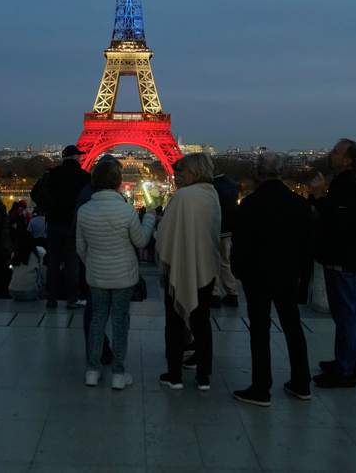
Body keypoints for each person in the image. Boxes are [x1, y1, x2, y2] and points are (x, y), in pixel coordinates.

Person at [231, 152, 314, 405]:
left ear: (257, 172)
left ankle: (261, 387)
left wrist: (240, 274)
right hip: (288, 275)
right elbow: (308, 246)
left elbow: (240, 246)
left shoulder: (250, 204)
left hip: (257, 277)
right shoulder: (299, 204)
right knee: (293, 328)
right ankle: (302, 383)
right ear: (281, 172)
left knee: (259, 331)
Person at [76, 159, 156, 390]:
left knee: (97, 320)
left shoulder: (84, 211)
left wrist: (92, 263)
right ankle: (118, 374)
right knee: (120, 323)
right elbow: (141, 240)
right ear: (118, 182)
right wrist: (149, 219)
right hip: (123, 277)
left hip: (96, 274)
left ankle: (92, 370)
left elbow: (80, 247)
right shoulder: (126, 210)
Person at [156, 152, 221, 391]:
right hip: (205, 266)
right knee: (202, 322)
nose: (177, 175)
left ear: (194, 171)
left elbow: (165, 233)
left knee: (174, 323)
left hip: (181, 266)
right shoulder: (211, 194)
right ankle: (203, 377)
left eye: (181, 171)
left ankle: (174, 375)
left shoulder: (183, 197)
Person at [310, 138, 356, 389]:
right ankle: (347, 362)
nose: (329, 154)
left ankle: (345, 370)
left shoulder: (345, 186)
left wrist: (320, 197)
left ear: (348, 160)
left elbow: (337, 222)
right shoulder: (347, 183)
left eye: (335, 152)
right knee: (348, 315)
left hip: (340, 259)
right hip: (344, 258)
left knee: (345, 316)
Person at [43, 145, 92, 310]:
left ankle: (51, 298)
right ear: (74, 157)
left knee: (53, 261)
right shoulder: (84, 176)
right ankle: (72, 298)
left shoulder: (52, 174)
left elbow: (38, 193)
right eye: (79, 156)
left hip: (54, 222)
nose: (80, 158)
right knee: (72, 263)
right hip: (73, 223)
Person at [210, 169, 240, 308]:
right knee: (225, 262)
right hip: (228, 229)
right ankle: (232, 292)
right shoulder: (231, 184)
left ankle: (214, 294)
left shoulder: (211, 186)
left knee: (213, 262)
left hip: (215, 229)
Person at [9, 232, 44, 301]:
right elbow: (39, 272)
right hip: (30, 291)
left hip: (13, 291)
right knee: (40, 277)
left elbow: (11, 267)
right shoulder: (38, 255)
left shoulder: (14, 254)